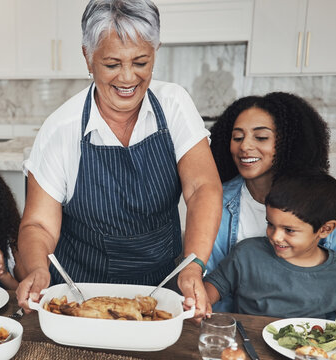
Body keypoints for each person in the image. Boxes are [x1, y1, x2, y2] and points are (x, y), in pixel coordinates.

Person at [15, 0, 222, 321]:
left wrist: (194, 266)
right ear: (87, 56)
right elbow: (39, 224)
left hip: (162, 292)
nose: (128, 78)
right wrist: (38, 270)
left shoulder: (174, 105)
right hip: (79, 297)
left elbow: (202, 188)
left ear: (156, 50)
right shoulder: (61, 129)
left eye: (141, 62)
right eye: (112, 64)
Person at [208, 92, 336, 312]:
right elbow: (213, 281)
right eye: (237, 137)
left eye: (261, 137)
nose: (245, 146)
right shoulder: (216, 200)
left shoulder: (322, 203)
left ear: (287, 143)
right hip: (237, 328)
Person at [204, 171, 336, 324]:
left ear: (325, 229)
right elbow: (217, 284)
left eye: (289, 230)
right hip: (246, 344)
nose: (275, 237)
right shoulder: (246, 254)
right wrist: (202, 302)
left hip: (309, 349)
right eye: (270, 224)